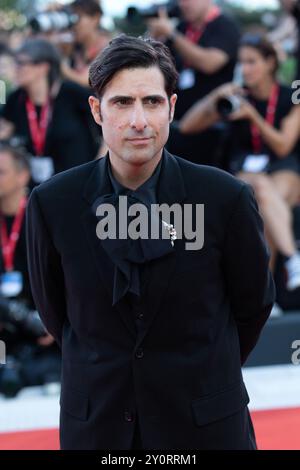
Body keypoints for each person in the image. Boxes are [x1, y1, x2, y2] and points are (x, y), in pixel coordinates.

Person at [26, 35, 275, 450]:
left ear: (172, 107)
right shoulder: (54, 203)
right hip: (98, 427)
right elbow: (57, 314)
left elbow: (253, 306)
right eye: (122, 102)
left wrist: (202, 375)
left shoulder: (224, 198)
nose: (139, 120)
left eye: (153, 102)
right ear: (96, 110)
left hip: (205, 428)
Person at [180, 34, 300, 291]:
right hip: (246, 172)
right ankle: (292, 259)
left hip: (284, 169)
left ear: (270, 62)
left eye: (252, 61)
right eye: (241, 63)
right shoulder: (235, 98)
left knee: (263, 202)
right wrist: (215, 97)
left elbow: (282, 145)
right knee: (259, 190)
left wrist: (253, 116)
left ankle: (263, 294)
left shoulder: (292, 96)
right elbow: (188, 127)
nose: (245, 69)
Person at [0, 141, 60, 396]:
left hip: (46, 332)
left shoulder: (47, 215)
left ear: (23, 175)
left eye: (1, 172)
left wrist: (54, 316)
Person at [148, 0, 240, 165]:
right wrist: (154, 35)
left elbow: (209, 63)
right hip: (176, 123)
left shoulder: (225, 26)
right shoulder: (182, 27)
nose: (184, 4)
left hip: (210, 126)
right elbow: (152, 63)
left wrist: (172, 34)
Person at [0, 38, 100, 187]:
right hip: (37, 191)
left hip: (80, 186)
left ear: (43, 67)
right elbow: (5, 132)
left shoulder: (71, 93)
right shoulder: (16, 99)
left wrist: (99, 171)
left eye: (21, 63)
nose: (15, 68)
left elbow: (107, 127)